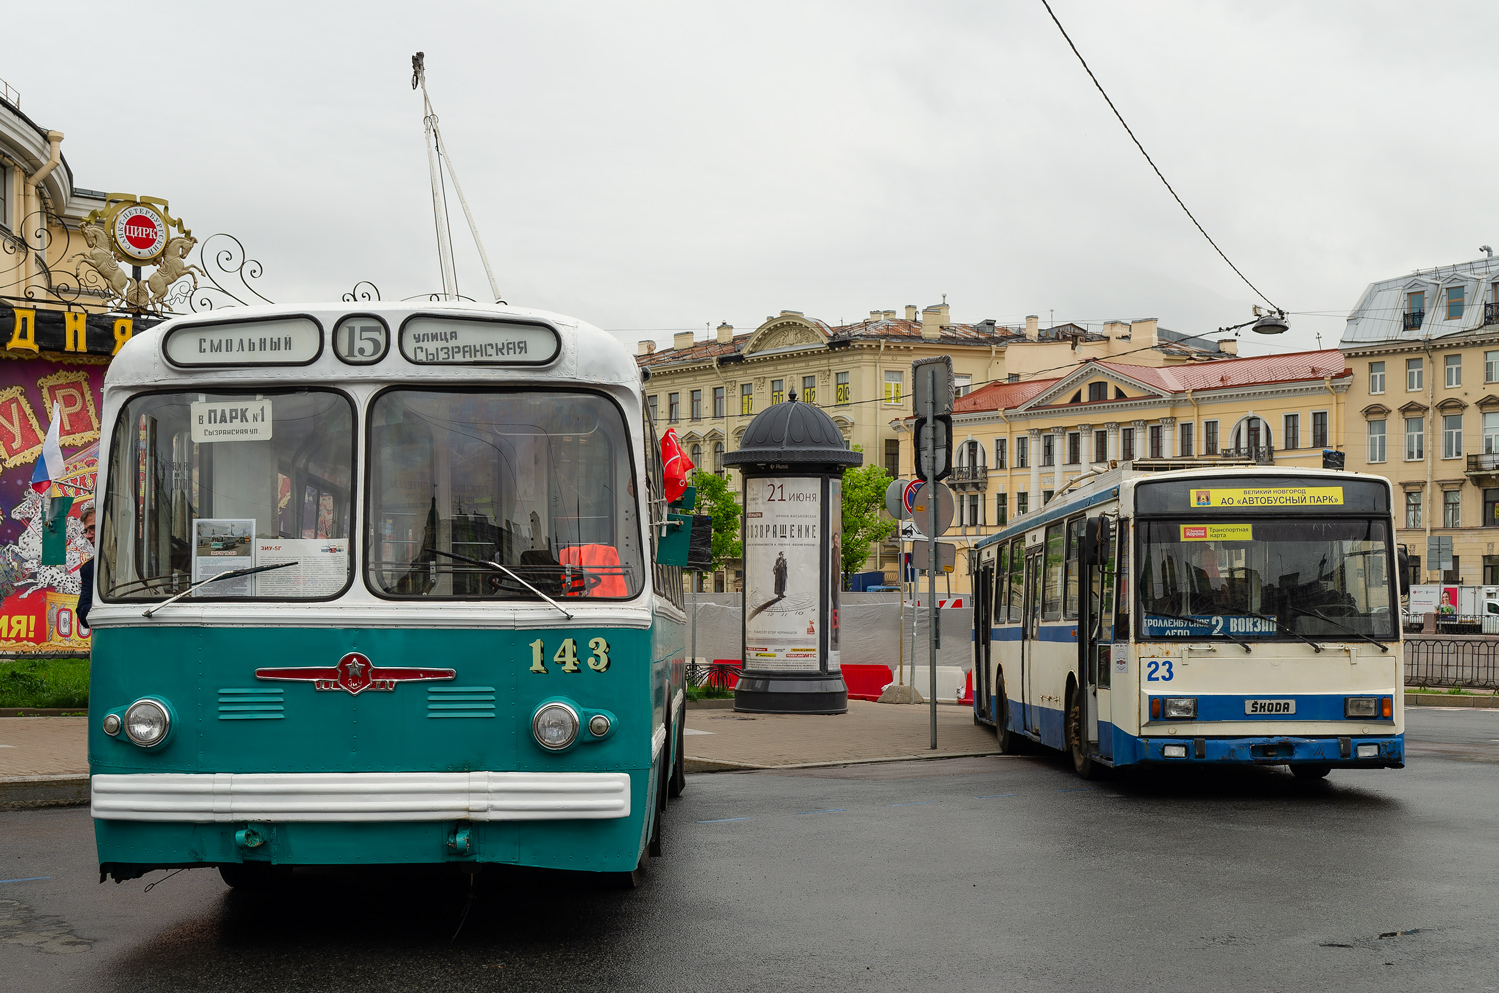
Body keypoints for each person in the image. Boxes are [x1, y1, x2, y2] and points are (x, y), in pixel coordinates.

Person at [76, 503, 95, 629]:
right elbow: (83, 613)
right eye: (86, 531)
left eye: (92, 528)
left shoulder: (144, 557)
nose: (88, 536)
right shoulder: (89, 568)